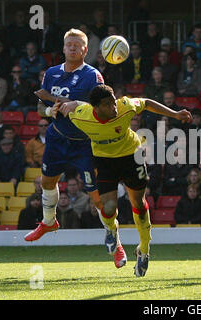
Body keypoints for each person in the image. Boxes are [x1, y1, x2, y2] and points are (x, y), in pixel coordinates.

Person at [54, 83, 192, 277]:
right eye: (109, 105)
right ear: (96, 108)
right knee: (108, 207)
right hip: (105, 162)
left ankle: (144, 250)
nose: (114, 108)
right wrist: (56, 108)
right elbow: (57, 110)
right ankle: (111, 230)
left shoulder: (125, 106)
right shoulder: (80, 115)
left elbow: (147, 103)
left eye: (114, 103)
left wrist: (175, 114)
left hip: (131, 157)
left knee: (139, 205)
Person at [25, 28, 105, 245]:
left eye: (76, 45)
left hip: (84, 142)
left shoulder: (93, 75)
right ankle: (49, 222)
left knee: (95, 194)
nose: (72, 48)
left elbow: (102, 109)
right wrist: (49, 112)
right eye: (68, 44)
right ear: (63, 47)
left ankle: (114, 239)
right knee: (47, 182)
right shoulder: (51, 73)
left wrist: (78, 105)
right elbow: (41, 105)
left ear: (85, 50)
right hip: (57, 138)